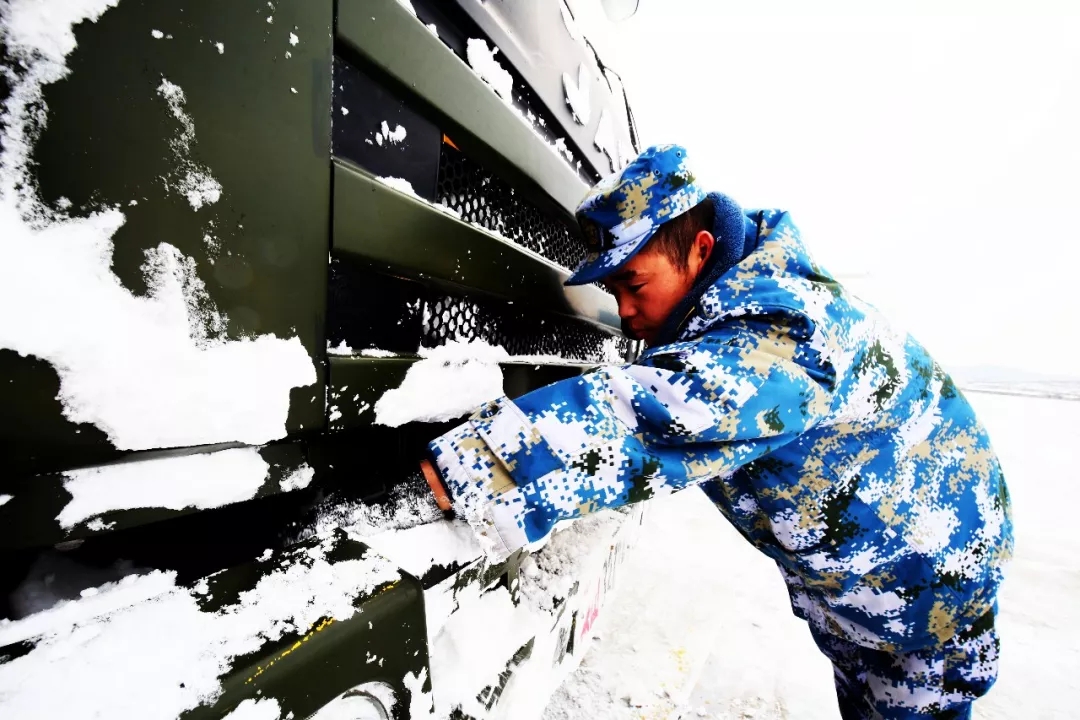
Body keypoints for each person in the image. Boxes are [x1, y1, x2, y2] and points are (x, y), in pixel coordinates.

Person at [418, 144, 1013, 719]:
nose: (625, 312)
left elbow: (654, 418)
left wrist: (471, 467)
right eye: (613, 291)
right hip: (869, 596)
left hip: (923, 596)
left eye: (634, 285)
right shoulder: (737, 305)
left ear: (700, 250)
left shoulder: (790, 327)